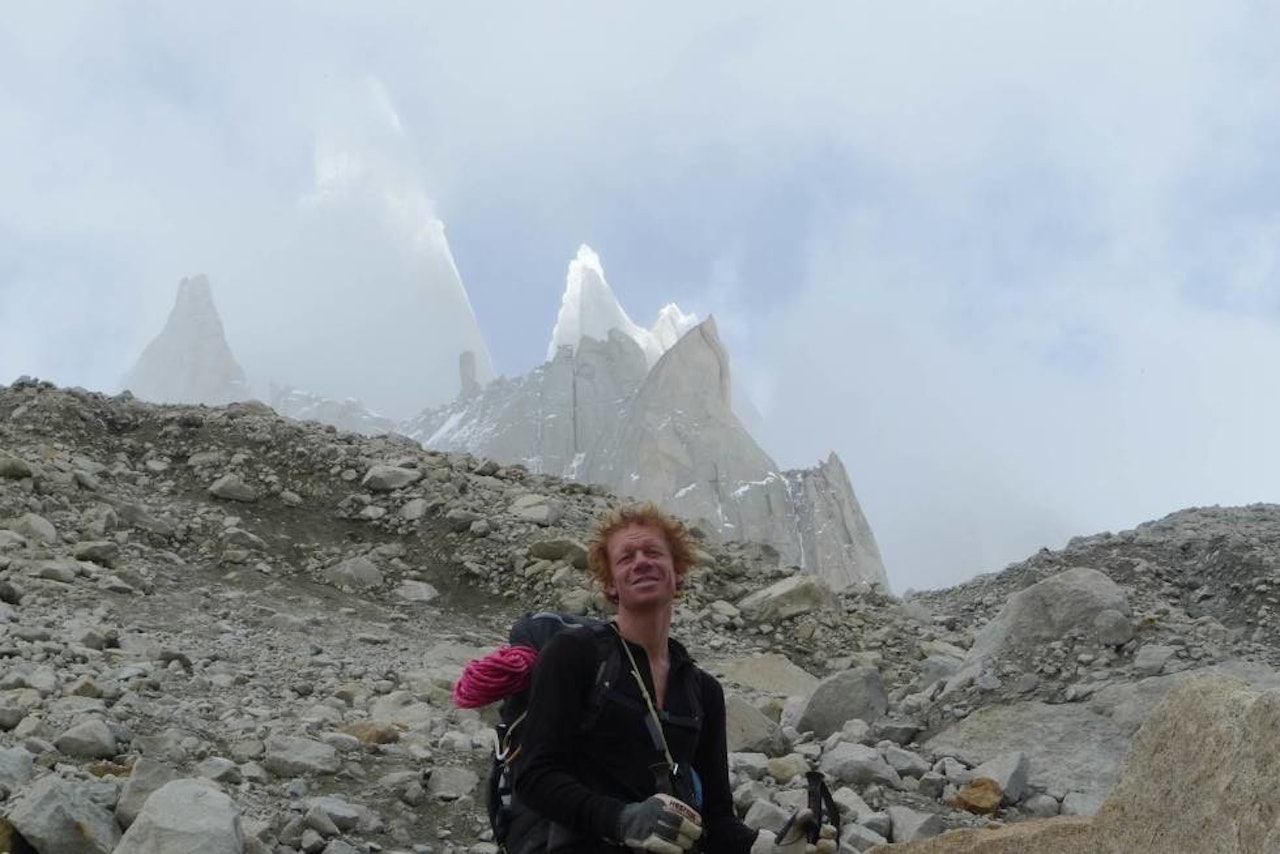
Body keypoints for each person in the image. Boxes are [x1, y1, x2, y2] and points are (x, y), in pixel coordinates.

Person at [512, 502, 835, 853]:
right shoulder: (575, 653)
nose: (641, 562)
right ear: (610, 586)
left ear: (677, 573)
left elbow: (716, 819)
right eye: (625, 558)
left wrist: (766, 846)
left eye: (653, 552)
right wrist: (621, 819)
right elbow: (534, 776)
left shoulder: (702, 690)